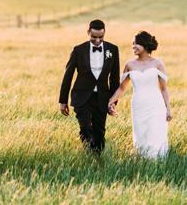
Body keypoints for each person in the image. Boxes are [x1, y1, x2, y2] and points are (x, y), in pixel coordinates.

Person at [57, 19, 120, 156]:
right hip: (81, 97)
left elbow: (114, 78)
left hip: (102, 98)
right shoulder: (78, 50)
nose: (97, 41)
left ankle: (97, 159)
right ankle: (89, 154)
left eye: (100, 37)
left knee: (99, 132)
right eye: (94, 37)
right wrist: (63, 101)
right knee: (85, 128)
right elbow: (68, 76)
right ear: (88, 33)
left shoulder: (113, 49)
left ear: (104, 34)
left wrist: (113, 102)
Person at [107, 31, 171, 159]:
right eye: (133, 44)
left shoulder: (158, 63)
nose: (133, 47)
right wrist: (111, 101)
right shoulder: (129, 64)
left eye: (136, 44)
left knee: (155, 132)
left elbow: (164, 89)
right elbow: (122, 88)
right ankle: (142, 161)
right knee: (140, 133)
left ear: (145, 45)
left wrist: (168, 109)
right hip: (138, 105)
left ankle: (158, 162)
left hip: (155, 104)